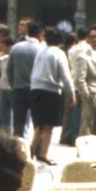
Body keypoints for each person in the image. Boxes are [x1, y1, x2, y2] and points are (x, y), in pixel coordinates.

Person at [25, 27, 75, 164]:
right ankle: (44, 154)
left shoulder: (40, 52)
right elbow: (66, 76)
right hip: (50, 91)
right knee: (48, 126)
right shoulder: (59, 53)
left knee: (39, 125)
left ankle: (31, 150)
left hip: (35, 89)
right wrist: (71, 94)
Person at [70, 26, 96, 144]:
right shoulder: (83, 56)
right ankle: (84, 158)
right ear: (88, 39)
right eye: (93, 37)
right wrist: (87, 96)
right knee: (86, 130)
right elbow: (79, 80)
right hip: (90, 97)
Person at [4, 21, 42, 140]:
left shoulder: (16, 48)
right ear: (40, 34)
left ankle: (18, 150)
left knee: (18, 123)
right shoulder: (42, 49)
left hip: (19, 89)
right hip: (37, 90)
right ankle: (38, 149)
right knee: (38, 124)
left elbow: (9, 69)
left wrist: (14, 84)